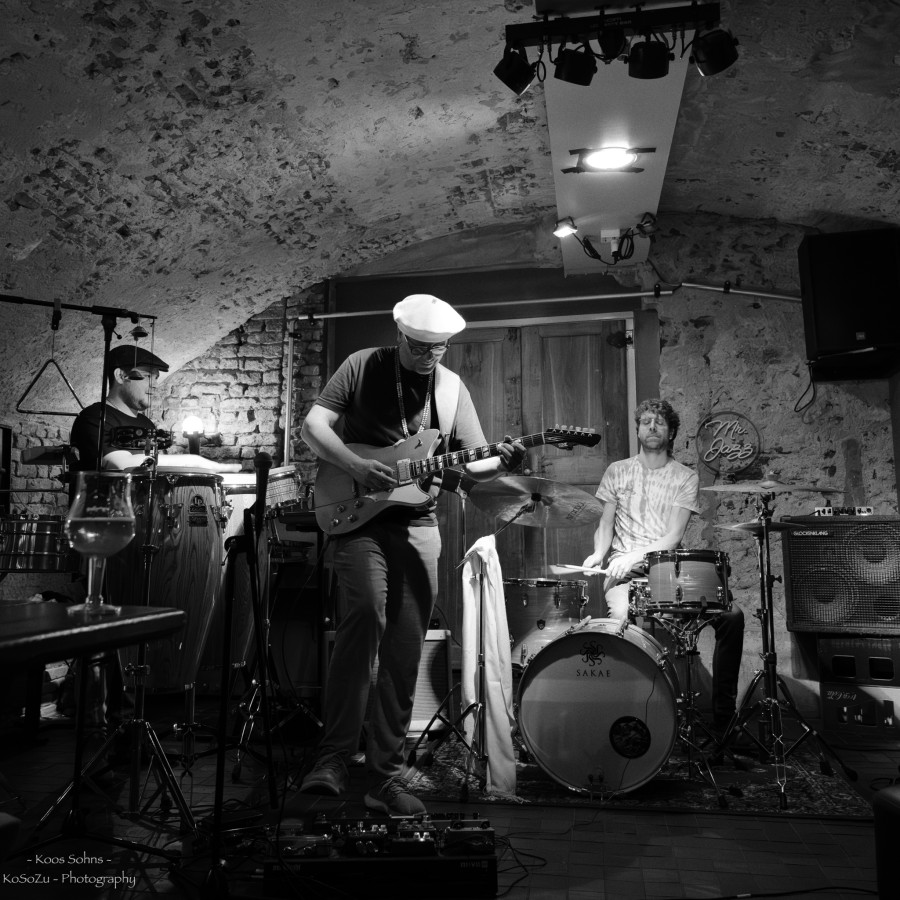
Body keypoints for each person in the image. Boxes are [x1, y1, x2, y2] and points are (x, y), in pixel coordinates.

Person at [299, 293, 526, 815]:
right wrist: (357, 467)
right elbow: (314, 427)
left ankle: (384, 776)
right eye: (421, 348)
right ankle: (332, 758)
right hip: (358, 516)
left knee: (405, 646)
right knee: (364, 615)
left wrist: (504, 460)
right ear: (400, 335)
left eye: (439, 348)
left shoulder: (450, 387)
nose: (430, 357)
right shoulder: (361, 365)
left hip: (419, 523)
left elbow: (475, 465)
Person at [581, 398, 745, 733]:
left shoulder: (685, 477)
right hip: (625, 572)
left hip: (669, 568)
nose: (652, 426)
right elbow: (605, 524)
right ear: (638, 429)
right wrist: (599, 553)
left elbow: (672, 537)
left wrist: (635, 555)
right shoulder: (617, 471)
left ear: (671, 433)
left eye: (659, 422)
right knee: (620, 618)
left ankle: (724, 721)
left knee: (732, 617)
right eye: (646, 421)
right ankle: (627, 719)